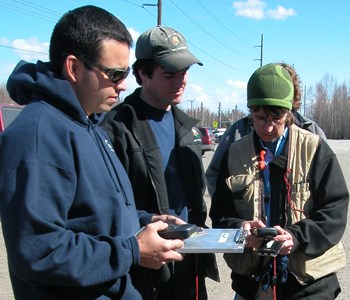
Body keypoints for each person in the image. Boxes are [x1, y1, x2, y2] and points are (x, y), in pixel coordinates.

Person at [0, 6, 186, 300]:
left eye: (125, 73)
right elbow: (38, 251)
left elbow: (92, 216)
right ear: (74, 68)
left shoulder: (90, 125)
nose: (124, 85)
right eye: (114, 74)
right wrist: (133, 250)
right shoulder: (37, 135)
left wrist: (145, 221)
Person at [209, 63, 349, 299]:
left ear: (290, 112)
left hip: (307, 284)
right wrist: (240, 230)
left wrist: (295, 237)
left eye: (277, 117)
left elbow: (334, 211)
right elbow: (221, 212)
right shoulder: (234, 154)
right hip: (253, 281)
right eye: (260, 117)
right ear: (250, 111)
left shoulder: (314, 148)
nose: (268, 126)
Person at [100, 26, 219, 300]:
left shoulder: (186, 128)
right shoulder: (117, 128)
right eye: (169, 74)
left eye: (184, 72)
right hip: (144, 271)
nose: (181, 81)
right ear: (142, 73)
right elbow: (110, 208)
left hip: (189, 263)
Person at [206, 62, 327, 198]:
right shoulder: (238, 132)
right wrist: (231, 210)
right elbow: (214, 175)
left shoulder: (311, 132)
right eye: (261, 118)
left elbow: (328, 189)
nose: (269, 127)